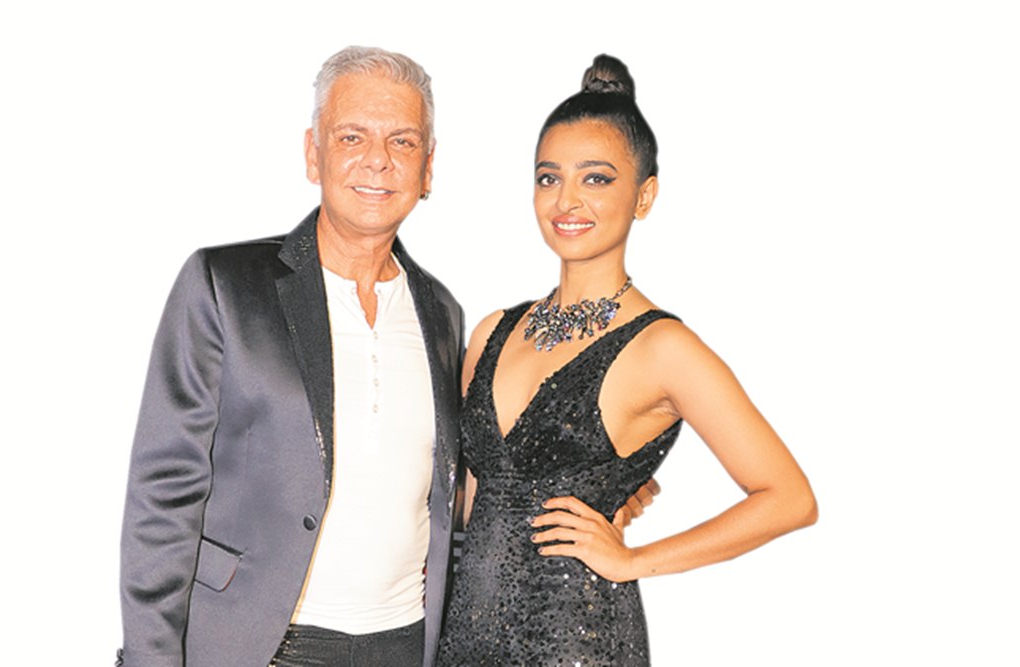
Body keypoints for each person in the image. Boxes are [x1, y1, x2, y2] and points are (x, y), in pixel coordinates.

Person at [436, 55, 818, 666]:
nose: (566, 200)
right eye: (548, 178)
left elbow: (789, 498)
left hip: (577, 641)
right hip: (462, 640)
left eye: (596, 179)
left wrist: (633, 560)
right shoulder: (491, 333)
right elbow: (466, 500)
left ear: (644, 196)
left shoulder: (663, 348)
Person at [116, 46, 462, 667]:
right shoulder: (225, 287)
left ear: (428, 167)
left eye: (403, 141)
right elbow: (162, 497)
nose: (378, 159)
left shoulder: (441, 313)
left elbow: (450, 491)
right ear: (313, 153)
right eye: (352, 136)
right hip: (263, 647)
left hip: (405, 644)